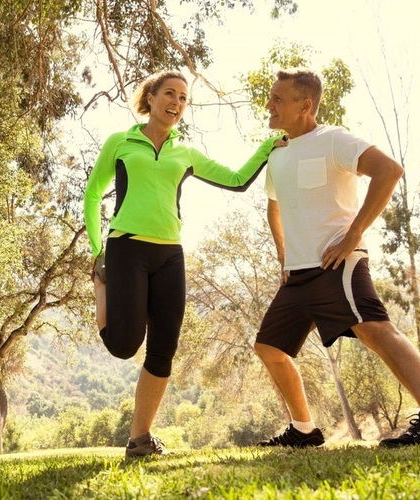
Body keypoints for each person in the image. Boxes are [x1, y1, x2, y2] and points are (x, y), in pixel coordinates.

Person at [252, 69, 420, 448]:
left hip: (337, 264)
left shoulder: (333, 139)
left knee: (374, 329)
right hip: (298, 273)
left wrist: (353, 234)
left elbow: (389, 171)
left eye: (277, 99)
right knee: (269, 347)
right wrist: (282, 253)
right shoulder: (277, 153)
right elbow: (274, 207)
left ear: (305, 105)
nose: (268, 105)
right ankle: (304, 430)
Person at [84, 70, 284, 458]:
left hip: (170, 255)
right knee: (124, 346)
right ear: (151, 97)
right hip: (126, 248)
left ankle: (139, 439)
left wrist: (268, 146)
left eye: (183, 99)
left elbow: (238, 179)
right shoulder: (121, 143)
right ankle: (100, 289)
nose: (176, 103)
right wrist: (97, 250)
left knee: (164, 348)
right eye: (169, 94)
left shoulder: (185, 152)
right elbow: (93, 195)